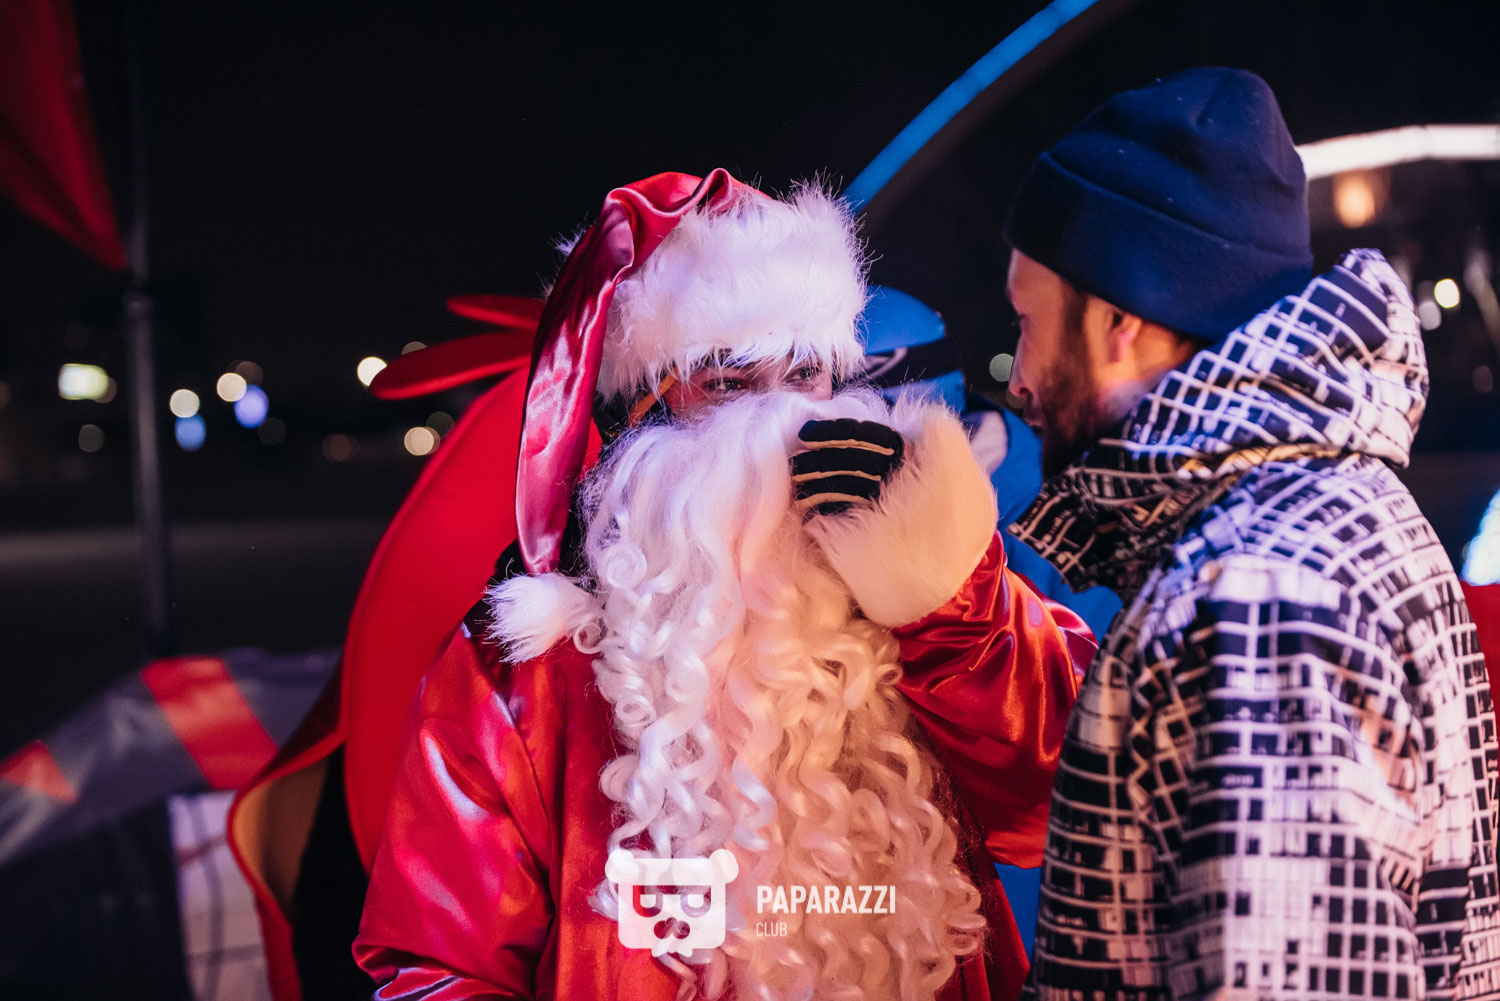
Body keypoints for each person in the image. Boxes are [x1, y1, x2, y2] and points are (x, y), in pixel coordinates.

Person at [352, 169, 1096, 1001]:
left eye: (805, 375)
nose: (779, 425)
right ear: (641, 416)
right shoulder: (525, 675)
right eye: (731, 383)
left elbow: (1067, 804)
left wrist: (946, 594)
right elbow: (440, 966)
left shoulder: (930, 610)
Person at [999, 67, 1500, 997]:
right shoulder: (1327, 509)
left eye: (1028, 320)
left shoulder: (1258, 593)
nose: (1019, 375)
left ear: (1118, 318)